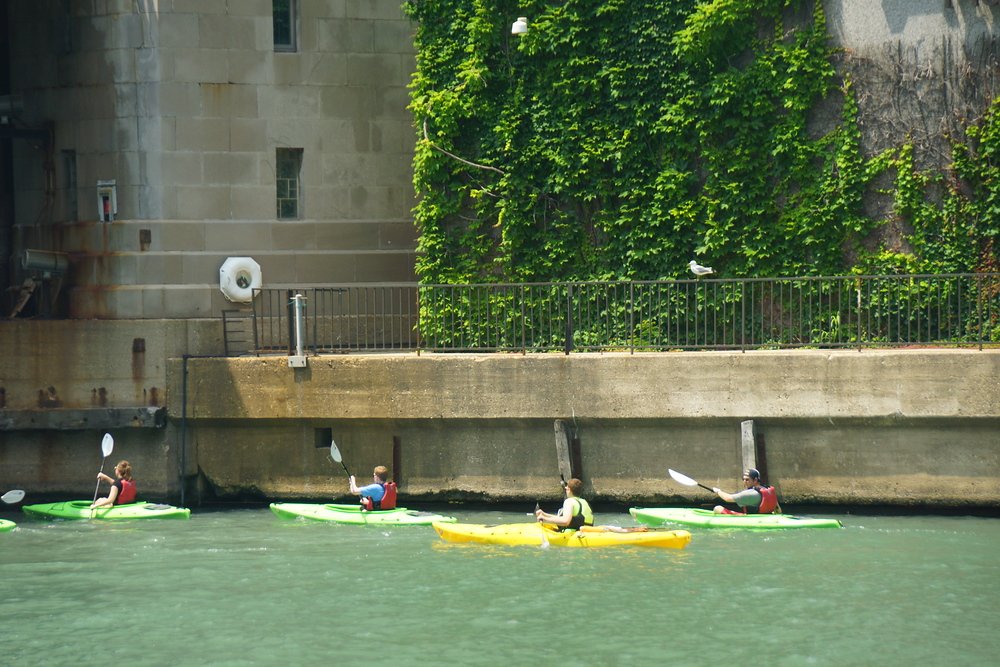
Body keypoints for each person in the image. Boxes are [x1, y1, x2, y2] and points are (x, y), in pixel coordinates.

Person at [712, 468, 781, 515]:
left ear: (755, 480)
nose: (744, 482)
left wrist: (718, 491)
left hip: (753, 518)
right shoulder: (768, 489)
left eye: (747, 480)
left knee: (717, 508)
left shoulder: (751, 493)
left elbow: (728, 498)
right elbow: (778, 510)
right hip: (766, 515)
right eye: (743, 479)